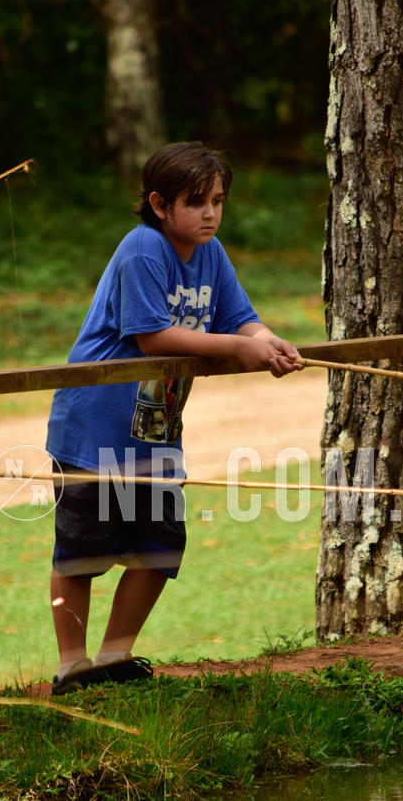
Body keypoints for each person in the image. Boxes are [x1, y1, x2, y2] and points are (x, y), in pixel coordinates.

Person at [45, 141, 302, 694]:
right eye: (197, 202)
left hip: (156, 428)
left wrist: (265, 340)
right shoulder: (143, 250)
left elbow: (242, 317)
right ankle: (72, 666)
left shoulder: (211, 252)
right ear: (160, 204)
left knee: (161, 547)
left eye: (218, 201)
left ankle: (115, 658)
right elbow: (152, 335)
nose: (210, 213)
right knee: (82, 549)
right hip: (93, 425)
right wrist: (234, 348)